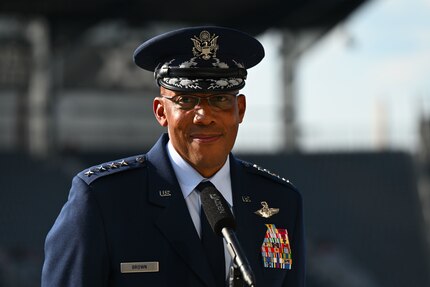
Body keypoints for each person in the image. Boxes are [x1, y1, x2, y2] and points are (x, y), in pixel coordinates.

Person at [41, 26, 305, 287]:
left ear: (241, 109)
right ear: (161, 112)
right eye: (187, 100)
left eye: (220, 99)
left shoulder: (280, 202)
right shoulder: (103, 199)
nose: (204, 116)